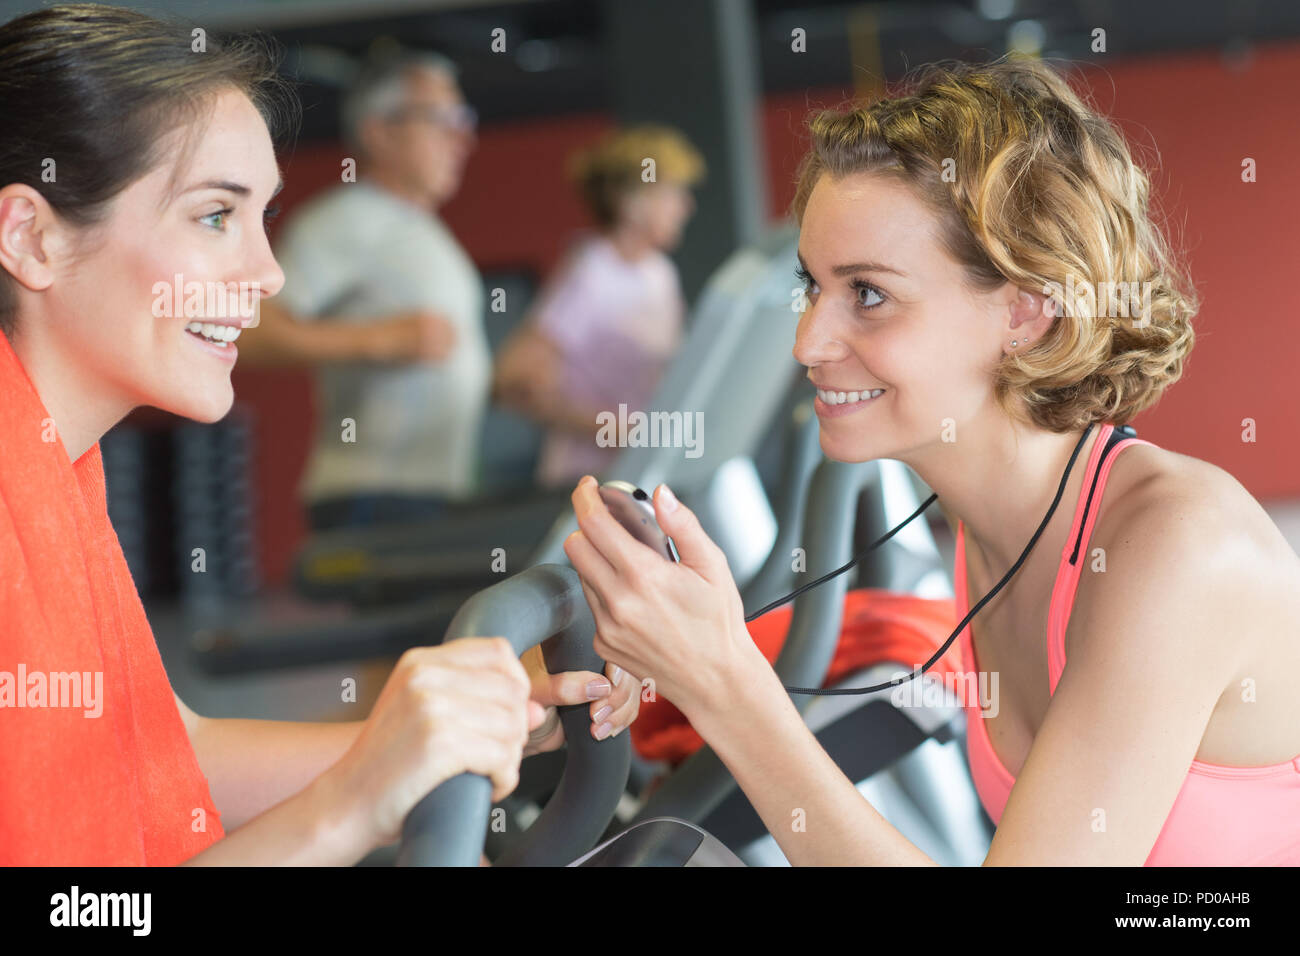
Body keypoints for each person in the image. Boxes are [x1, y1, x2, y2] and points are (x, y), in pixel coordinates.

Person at [563, 57, 1300, 866]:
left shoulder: (1180, 546)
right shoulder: (986, 530)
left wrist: (725, 684)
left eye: (868, 294)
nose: (809, 342)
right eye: (813, 287)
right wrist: (672, 661)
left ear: (1024, 310)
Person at [0, 3, 639, 866]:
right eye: (216, 216)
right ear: (31, 237)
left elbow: (155, 751)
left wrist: (438, 737)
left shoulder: (61, 467)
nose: (266, 275)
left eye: (261, 218)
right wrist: (351, 804)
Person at [236, 48, 488, 533]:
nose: (463, 137)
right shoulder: (345, 219)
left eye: (464, 118)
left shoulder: (427, 233)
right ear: (380, 131)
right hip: (374, 499)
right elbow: (250, 328)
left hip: (431, 493)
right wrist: (382, 339)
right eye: (442, 119)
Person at [493, 125, 702, 488]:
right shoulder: (592, 272)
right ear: (630, 201)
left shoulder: (659, 272)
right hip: (586, 482)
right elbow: (513, 382)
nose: (686, 206)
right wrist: (618, 430)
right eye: (671, 192)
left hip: (644, 478)